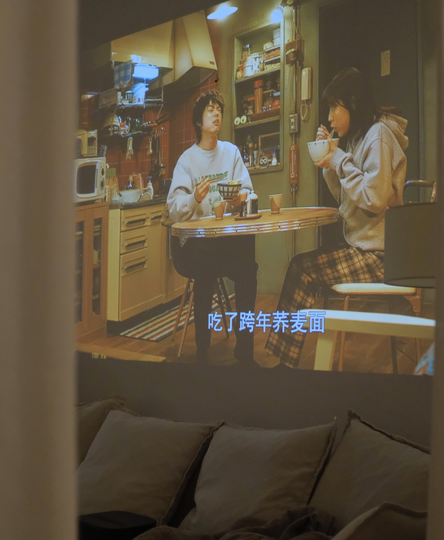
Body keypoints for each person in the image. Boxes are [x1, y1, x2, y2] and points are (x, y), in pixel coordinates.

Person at [265, 67, 409, 368]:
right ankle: (284, 365)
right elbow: (347, 197)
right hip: (363, 247)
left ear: (353, 103)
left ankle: (283, 368)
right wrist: (331, 159)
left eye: (334, 107)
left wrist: (340, 160)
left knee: (301, 269)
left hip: (380, 255)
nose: (329, 117)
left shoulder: (378, 136)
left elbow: (374, 199)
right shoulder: (358, 138)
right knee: (301, 268)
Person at [167, 89, 258, 366]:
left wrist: (239, 199)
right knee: (205, 267)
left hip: (224, 239)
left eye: (219, 109)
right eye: (210, 109)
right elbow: (174, 208)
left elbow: (249, 191)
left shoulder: (231, 153)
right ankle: (202, 351)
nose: (216, 113)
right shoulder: (187, 160)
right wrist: (194, 198)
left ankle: (245, 350)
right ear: (199, 121)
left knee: (248, 265)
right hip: (194, 243)